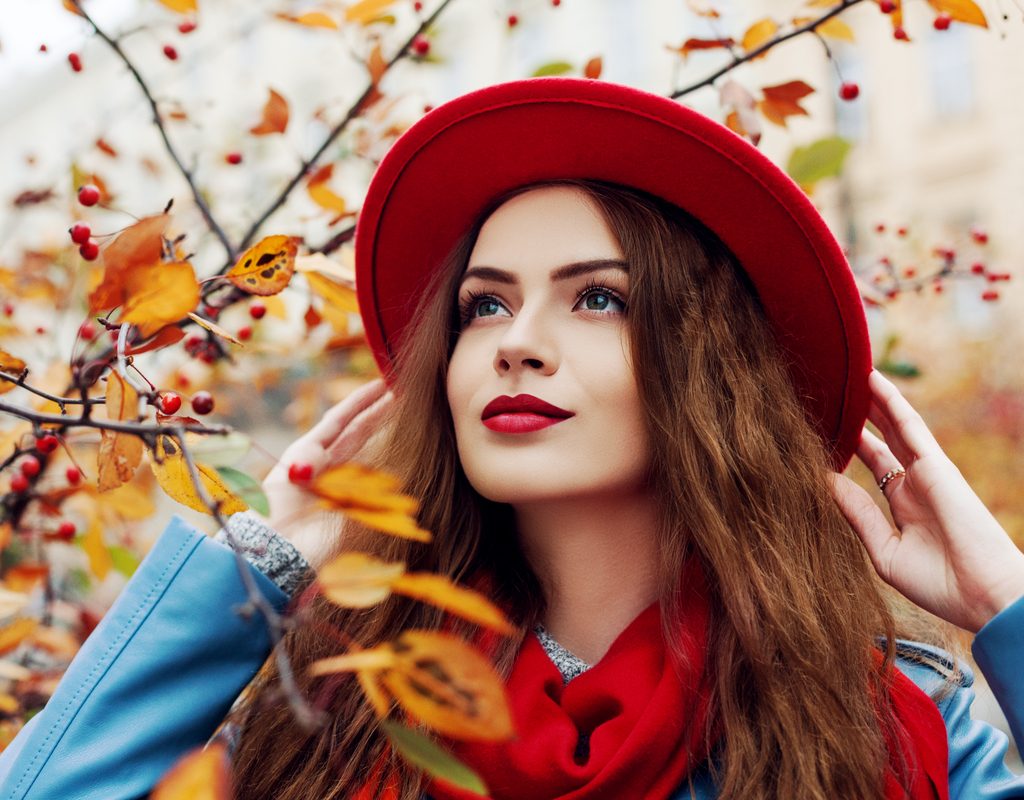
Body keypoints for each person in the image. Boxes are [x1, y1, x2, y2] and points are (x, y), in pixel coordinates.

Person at [1, 77, 1022, 800]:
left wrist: (1004, 606)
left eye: (597, 298)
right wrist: (250, 567)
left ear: (709, 367)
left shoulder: (886, 717)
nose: (517, 344)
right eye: (484, 307)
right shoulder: (334, 703)